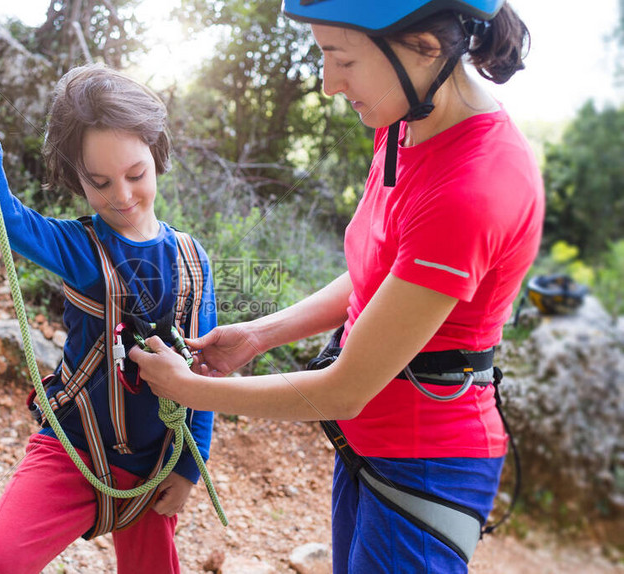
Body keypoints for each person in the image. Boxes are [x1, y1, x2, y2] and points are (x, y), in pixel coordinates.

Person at [131, 1, 543, 572]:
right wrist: (259, 334)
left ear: (424, 45)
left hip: (426, 464)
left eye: (339, 56)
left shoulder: (474, 185)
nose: (327, 83)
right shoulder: (407, 121)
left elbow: (346, 388)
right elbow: (381, 273)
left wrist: (188, 390)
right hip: (372, 447)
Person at [0, 25, 217, 574]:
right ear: (77, 181)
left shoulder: (193, 261)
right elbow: (2, 215)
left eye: (135, 174)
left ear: (156, 154)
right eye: (99, 182)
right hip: (74, 452)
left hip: (157, 469)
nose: (122, 195)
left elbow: (203, 370)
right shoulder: (78, 247)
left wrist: (190, 468)